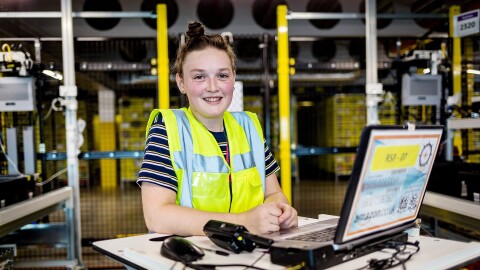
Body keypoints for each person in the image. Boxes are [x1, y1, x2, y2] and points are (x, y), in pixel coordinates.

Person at [137, 21, 298, 236]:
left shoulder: (249, 127)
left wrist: (281, 210)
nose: (213, 87)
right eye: (199, 76)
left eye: (222, 75)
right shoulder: (167, 129)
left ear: (233, 78)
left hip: (248, 252)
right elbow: (157, 216)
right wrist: (243, 222)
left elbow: (274, 194)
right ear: (181, 82)